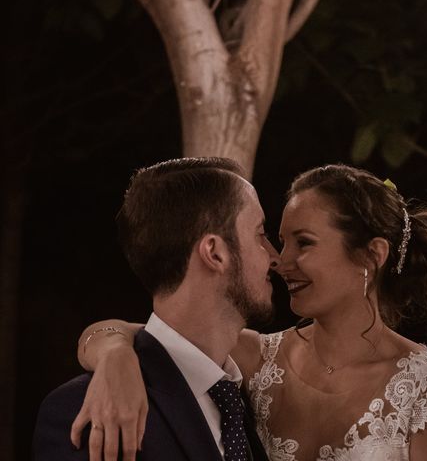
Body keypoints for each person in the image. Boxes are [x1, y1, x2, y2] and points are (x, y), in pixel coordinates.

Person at [71, 164, 427, 461]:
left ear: (371, 255)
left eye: (304, 243)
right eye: (279, 240)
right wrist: (114, 356)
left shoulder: (425, 387)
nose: (281, 260)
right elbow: (132, 332)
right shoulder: (257, 358)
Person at [32, 157, 280, 461]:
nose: (274, 256)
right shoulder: (89, 412)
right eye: (260, 234)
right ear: (215, 253)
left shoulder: (244, 399)